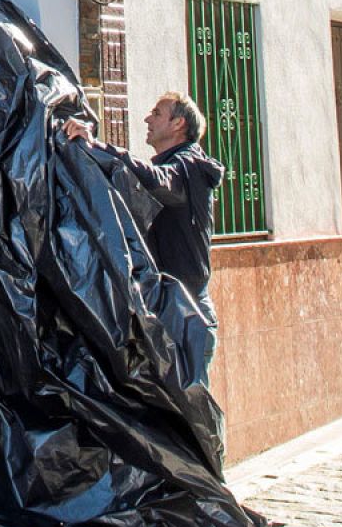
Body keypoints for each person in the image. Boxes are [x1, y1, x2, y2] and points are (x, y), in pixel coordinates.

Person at [62, 93, 224, 355]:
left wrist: (97, 146)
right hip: (169, 309)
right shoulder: (179, 166)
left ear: (178, 123)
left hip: (186, 316)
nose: (148, 118)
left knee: (185, 396)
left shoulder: (189, 167)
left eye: (157, 113)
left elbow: (158, 180)